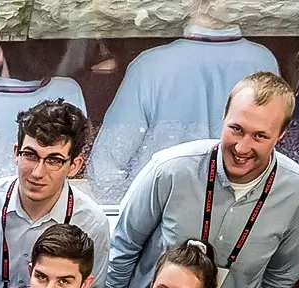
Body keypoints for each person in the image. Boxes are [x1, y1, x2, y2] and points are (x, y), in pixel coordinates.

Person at [98, 73, 299, 288]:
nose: (242, 147)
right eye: (236, 129)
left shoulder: (298, 192)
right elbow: (124, 245)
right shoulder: (170, 169)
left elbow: (281, 281)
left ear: (281, 134)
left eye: (259, 136)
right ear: (223, 117)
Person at [0, 99, 113, 288]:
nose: (37, 172)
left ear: (74, 166)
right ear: (16, 153)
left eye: (54, 160)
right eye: (30, 155)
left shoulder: (91, 224)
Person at [87, 21, 280, 186]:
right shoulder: (263, 60)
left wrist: (140, 218)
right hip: (240, 212)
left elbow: (105, 168)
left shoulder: (151, 65)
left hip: (164, 214)